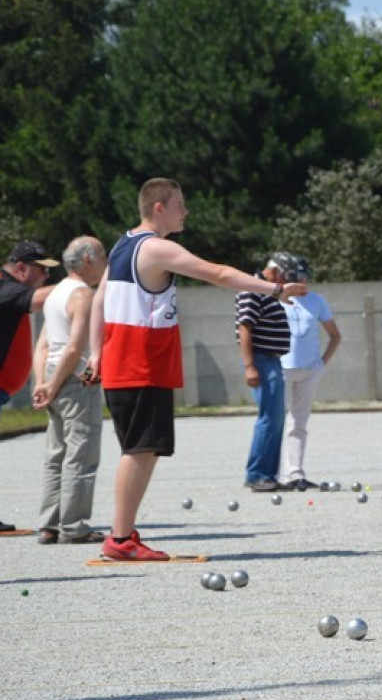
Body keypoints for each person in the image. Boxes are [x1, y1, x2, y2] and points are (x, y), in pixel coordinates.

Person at [88, 178, 306, 561]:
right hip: (141, 364)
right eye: (179, 204)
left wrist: (95, 354)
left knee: (143, 448)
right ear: (159, 208)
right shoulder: (156, 248)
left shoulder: (123, 245)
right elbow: (219, 274)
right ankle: (121, 539)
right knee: (139, 449)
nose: (185, 211)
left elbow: (99, 301)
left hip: (127, 362)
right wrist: (275, 290)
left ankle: (123, 535)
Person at [31, 236, 108, 544]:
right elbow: (75, 346)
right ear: (87, 260)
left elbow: (43, 344)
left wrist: (42, 382)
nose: (105, 262)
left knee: (56, 452)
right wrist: (55, 382)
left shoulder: (54, 293)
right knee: (81, 452)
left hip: (52, 371)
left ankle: (49, 524)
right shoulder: (82, 295)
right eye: (102, 256)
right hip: (75, 377)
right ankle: (74, 525)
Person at [0, 240, 58, 533]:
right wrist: (77, 286)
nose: (46, 277)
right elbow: (40, 299)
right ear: (21, 268)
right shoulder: (5, 288)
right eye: (41, 271)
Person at [279, 256, 341, 490]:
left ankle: (295, 472)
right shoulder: (277, 300)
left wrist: (321, 363)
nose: (302, 283)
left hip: (309, 369)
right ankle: (273, 475)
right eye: (297, 278)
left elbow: (335, 335)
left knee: (299, 421)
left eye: (305, 278)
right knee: (278, 421)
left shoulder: (317, 301)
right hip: (283, 367)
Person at [236, 252, 296, 493]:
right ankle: (258, 474)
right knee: (269, 418)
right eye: (284, 275)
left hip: (271, 360)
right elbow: (245, 327)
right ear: (275, 272)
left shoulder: (266, 291)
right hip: (261, 360)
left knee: (275, 418)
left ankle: (267, 474)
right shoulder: (253, 289)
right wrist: (250, 366)